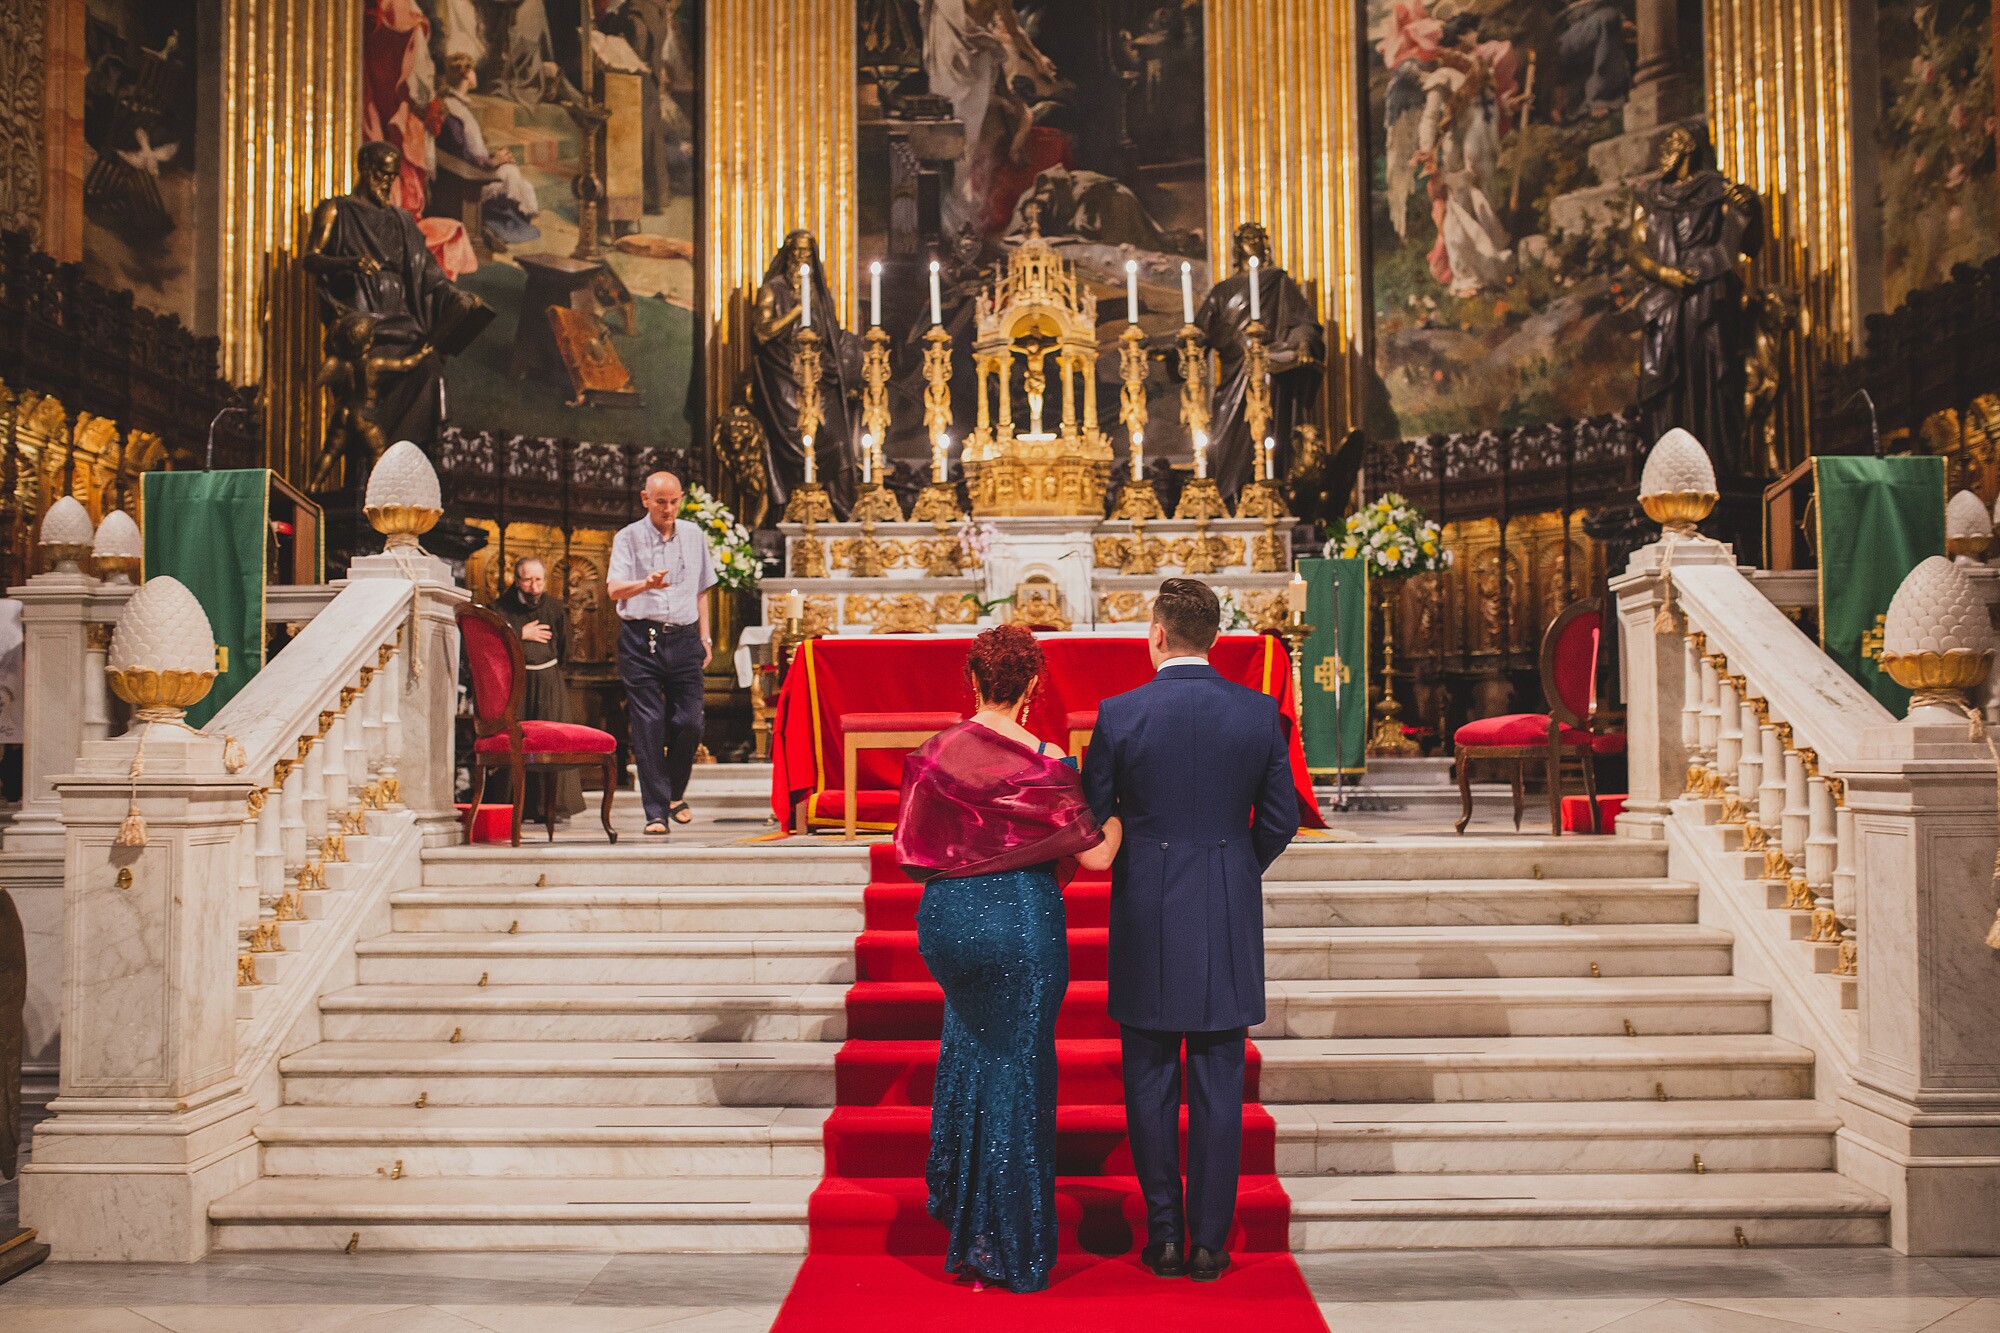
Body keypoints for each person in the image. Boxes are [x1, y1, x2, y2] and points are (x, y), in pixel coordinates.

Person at [1080, 577, 1299, 1283]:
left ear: (1157, 634)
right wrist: (1236, 865)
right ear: (1213, 637)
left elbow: (1091, 816)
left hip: (1146, 907)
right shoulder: (1259, 713)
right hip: (1226, 908)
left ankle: (1165, 1237)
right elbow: (1281, 815)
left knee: (1148, 1080)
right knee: (1217, 1078)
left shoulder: (1120, 714)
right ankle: (1209, 1242)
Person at [894, 624, 1120, 1292]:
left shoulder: (932, 756)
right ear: (1034, 685)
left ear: (972, 678)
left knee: (971, 1053)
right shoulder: (1050, 762)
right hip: (1021, 925)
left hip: (951, 928)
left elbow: (913, 860)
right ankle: (1014, 1250)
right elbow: (1099, 856)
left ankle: (969, 1227)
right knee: (1018, 1073)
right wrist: (1126, 805)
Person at [607, 471, 715, 835]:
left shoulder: (694, 535)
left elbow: (702, 590)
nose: (668, 509)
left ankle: (672, 793)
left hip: (685, 639)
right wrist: (646, 583)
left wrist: (706, 638)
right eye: (661, 502)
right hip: (641, 640)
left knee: (690, 722)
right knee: (648, 724)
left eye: (674, 502)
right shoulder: (628, 538)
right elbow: (614, 590)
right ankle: (656, 812)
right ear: (645, 499)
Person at [489, 557, 584, 825]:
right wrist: (519, 632)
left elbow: (565, 647)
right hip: (516, 684)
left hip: (548, 682)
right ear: (517, 581)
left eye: (539, 580)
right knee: (517, 742)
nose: (534, 586)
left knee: (551, 740)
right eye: (528, 580)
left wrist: (550, 674)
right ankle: (512, 806)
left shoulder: (554, 607)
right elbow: (491, 642)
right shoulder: (500, 608)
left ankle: (551, 806)